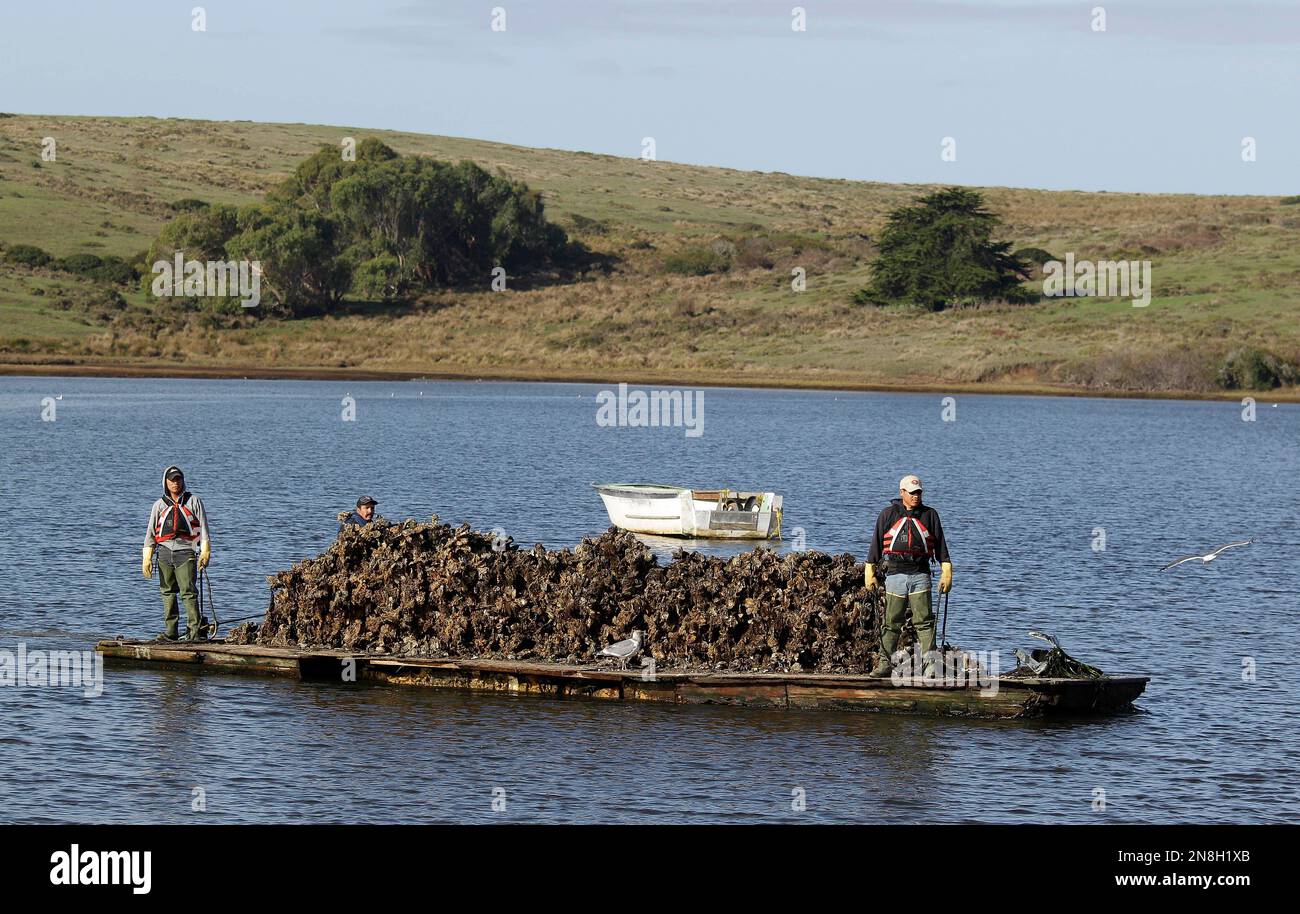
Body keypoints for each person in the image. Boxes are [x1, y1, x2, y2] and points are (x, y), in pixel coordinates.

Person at [865, 474, 952, 678]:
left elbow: (940, 546)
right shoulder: (887, 514)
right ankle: (885, 663)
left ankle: (930, 667)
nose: (916, 496)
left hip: (920, 575)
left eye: (919, 492)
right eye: (912, 493)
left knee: (925, 622)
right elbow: (876, 544)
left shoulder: (930, 515)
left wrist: (946, 569)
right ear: (902, 492)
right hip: (894, 576)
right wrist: (870, 570)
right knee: (891, 622)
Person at [142, 465, 211, 642]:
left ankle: (194, 632)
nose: (175, 483)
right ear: (165, 482)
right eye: (172, 480)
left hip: (186, 553)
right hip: (164, 554)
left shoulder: (194, 501)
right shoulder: (158, 505)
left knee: (188, 592)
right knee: (167, 592)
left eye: (178, 479)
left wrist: (205, 552)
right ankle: (171, 632)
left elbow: (203, 528)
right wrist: (147, 558)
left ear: (183, 481)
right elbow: (151, 533)